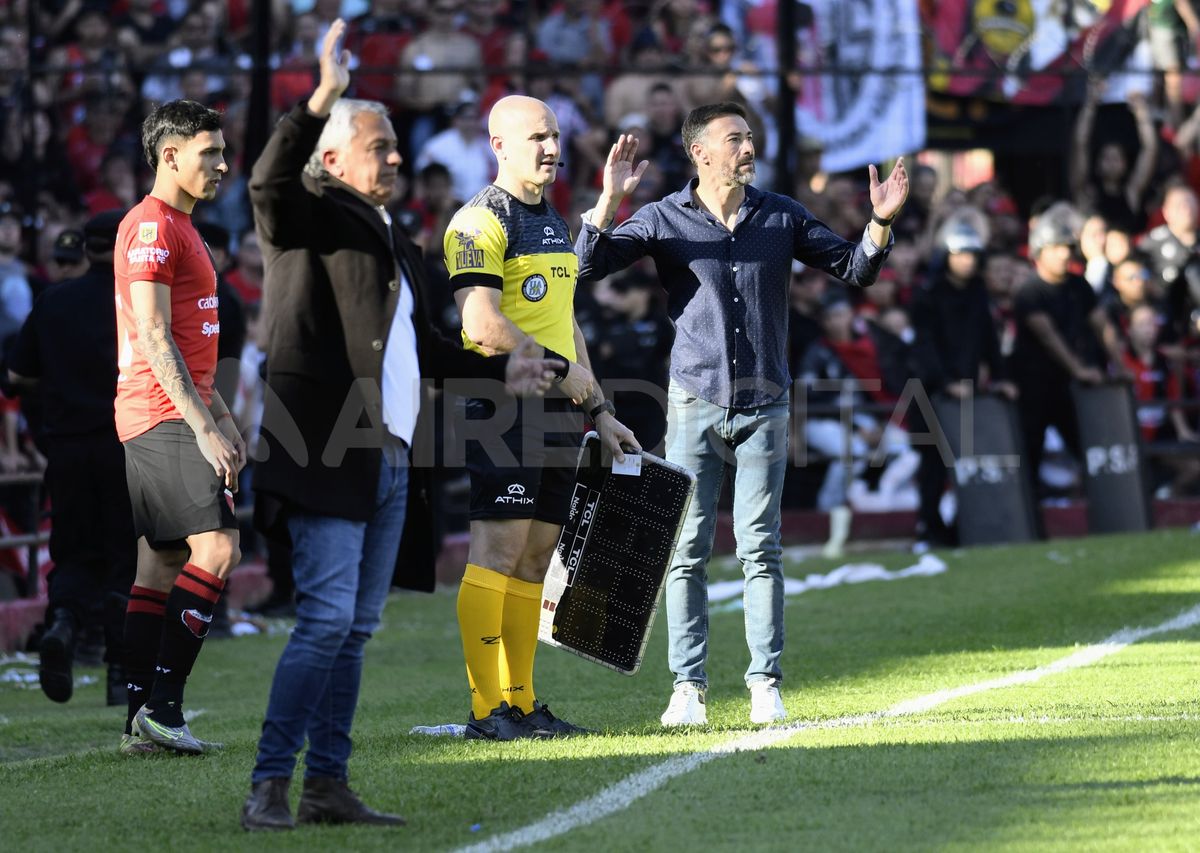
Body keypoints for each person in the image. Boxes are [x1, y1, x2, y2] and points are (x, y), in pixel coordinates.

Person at [241, 22, 556, 831]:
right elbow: (269, 181)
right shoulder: (306, 217)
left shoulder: (394, 239)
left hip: (388, 462)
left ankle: (327, 785)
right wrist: (321, 98)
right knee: (323, 623)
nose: (395, 159)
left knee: (354, 630)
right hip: (328, 453)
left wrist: (502, 370)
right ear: (334, 159)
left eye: (392, 147)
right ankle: (270, 784)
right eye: (378, 147)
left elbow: (428, 353)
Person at [575, 102, 907, 726]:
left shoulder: (781, 215)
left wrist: (880, 222)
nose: (747, 147)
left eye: (751, 137)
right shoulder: (661, 217)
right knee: (687, 548)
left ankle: (764, 684)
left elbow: (854, 268)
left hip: (766, 402)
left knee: (762, 547)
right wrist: (608, 201)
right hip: (693, 400)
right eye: (735, 139)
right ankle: (687, 688)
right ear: (700, 152)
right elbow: (588, 265)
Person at [445, 93, 638, 742]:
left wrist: (600, 407)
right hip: (503, 407)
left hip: (559, 412)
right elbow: (480, 325)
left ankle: (522, 703)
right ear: (497, 144)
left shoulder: (552, 220)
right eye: (536, 137)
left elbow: (565, 322)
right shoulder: (477, 221)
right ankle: (483, 708)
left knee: (535, 559)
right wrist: (561, 369)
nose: (551, 147)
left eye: (554, 135)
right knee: (497, 551)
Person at [113, 99, 245, 755]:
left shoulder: (181, 225)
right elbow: (156, 334)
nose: (223, 164)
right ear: (170, 155)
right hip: (161, 412)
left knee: (162, 562)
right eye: (209, 153)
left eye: (222, 151)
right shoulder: (152, 228)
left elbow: (189, 339)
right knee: (218, 550)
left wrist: (221, 411)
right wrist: (201, 424)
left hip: (169, 408)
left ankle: (139, 714)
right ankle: (163, 707)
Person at [8, 210, 135, 707]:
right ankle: (120, 670)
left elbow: (18, 377)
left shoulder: (54, 299)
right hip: (125, 444)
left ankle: (63, 623)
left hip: (67, 448)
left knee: (75, 551)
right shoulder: (137, 299)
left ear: (84, 248)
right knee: (126, 554)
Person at [909, 222, 1015, 548]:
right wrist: (945, 382)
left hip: (968, 393)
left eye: (973, 254)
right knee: (934, 465)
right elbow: (925, 345)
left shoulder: (978, 294)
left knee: (971, 461)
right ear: (947, 255)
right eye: (961, 254)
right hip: (932, 393)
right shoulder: (927, 294)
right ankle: (928, 527)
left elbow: (988, 342)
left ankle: (966, 527)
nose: (968, 260)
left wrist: (1001, 378)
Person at [1011, 215, 1130, 499]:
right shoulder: (1029, 291)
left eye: (1067, 247)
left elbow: (1102, 324)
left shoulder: (1079, 285)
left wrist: (1122, 365)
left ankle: (1111, 508)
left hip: (1071, 388)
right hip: (1035, 387)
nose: (1065, 253)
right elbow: (1049, 337)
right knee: (1030, 454)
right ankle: (1028, 521)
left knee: (1089, 448)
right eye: (1056, 247)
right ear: (1040, 252)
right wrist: (1078, 369)